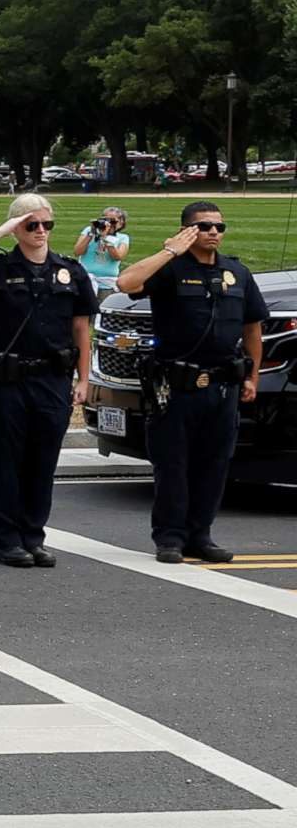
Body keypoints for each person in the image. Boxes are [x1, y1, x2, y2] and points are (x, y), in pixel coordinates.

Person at [0, 195, 95, 568]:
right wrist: (3, 229)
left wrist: (84, 377)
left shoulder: (69, 271)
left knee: (42, 462)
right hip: (9, 380)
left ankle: (34, 535)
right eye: (32, 225)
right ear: (17, 228)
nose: (41, 232)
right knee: (9, 462)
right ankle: (8, 540)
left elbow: (82, 328)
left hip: (53, 378)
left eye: (47, 224)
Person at [117, 201, 266, 564]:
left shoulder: (237, 273)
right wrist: (170, 250)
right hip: (177, 385)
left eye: (218, 226)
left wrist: (252, 376)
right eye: (203, 226)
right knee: (173, 464)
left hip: (223, 386)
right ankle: (170, 537)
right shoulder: (170, 269)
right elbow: (126, 282)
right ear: (187, 230)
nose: (213, 232)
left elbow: (253, 328)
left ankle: (201, 534)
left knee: (214, 464)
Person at [75, 206, 131, 292]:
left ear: (121, 223)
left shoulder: (123, 238)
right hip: (86, 280)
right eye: (106, 220)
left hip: (107, 284)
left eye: (112, 221)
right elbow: (78, 252)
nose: (109, 224)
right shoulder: (88, 231)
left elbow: (118, 256)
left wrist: (105, 238)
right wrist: (91, 234)